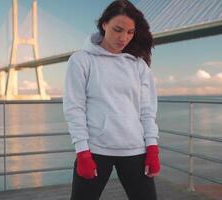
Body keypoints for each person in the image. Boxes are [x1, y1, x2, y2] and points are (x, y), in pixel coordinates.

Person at [63, 0, 160, 199]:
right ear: (104, 24)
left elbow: (147, 110)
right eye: (118, 29)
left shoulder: (139, 65)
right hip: (96, 151)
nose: (123, 38)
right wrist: (82, 152)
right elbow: (74, 108)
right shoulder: (82, 60)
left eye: (130, 32)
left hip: (135, 150)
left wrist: (152, 148)